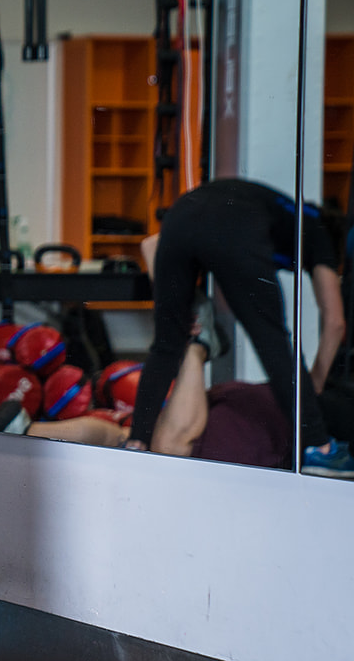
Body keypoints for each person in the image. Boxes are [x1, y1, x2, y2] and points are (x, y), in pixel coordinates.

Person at [126, 178, 354, 477]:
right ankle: (320, 450)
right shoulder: (320, 231)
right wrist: (316, 387)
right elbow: (335, 321)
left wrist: (178, 307)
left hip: (180, 215)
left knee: (166, 345)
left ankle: (136, 444)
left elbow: (150, 244)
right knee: (272, 340)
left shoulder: (275, 208)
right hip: (233, 224)